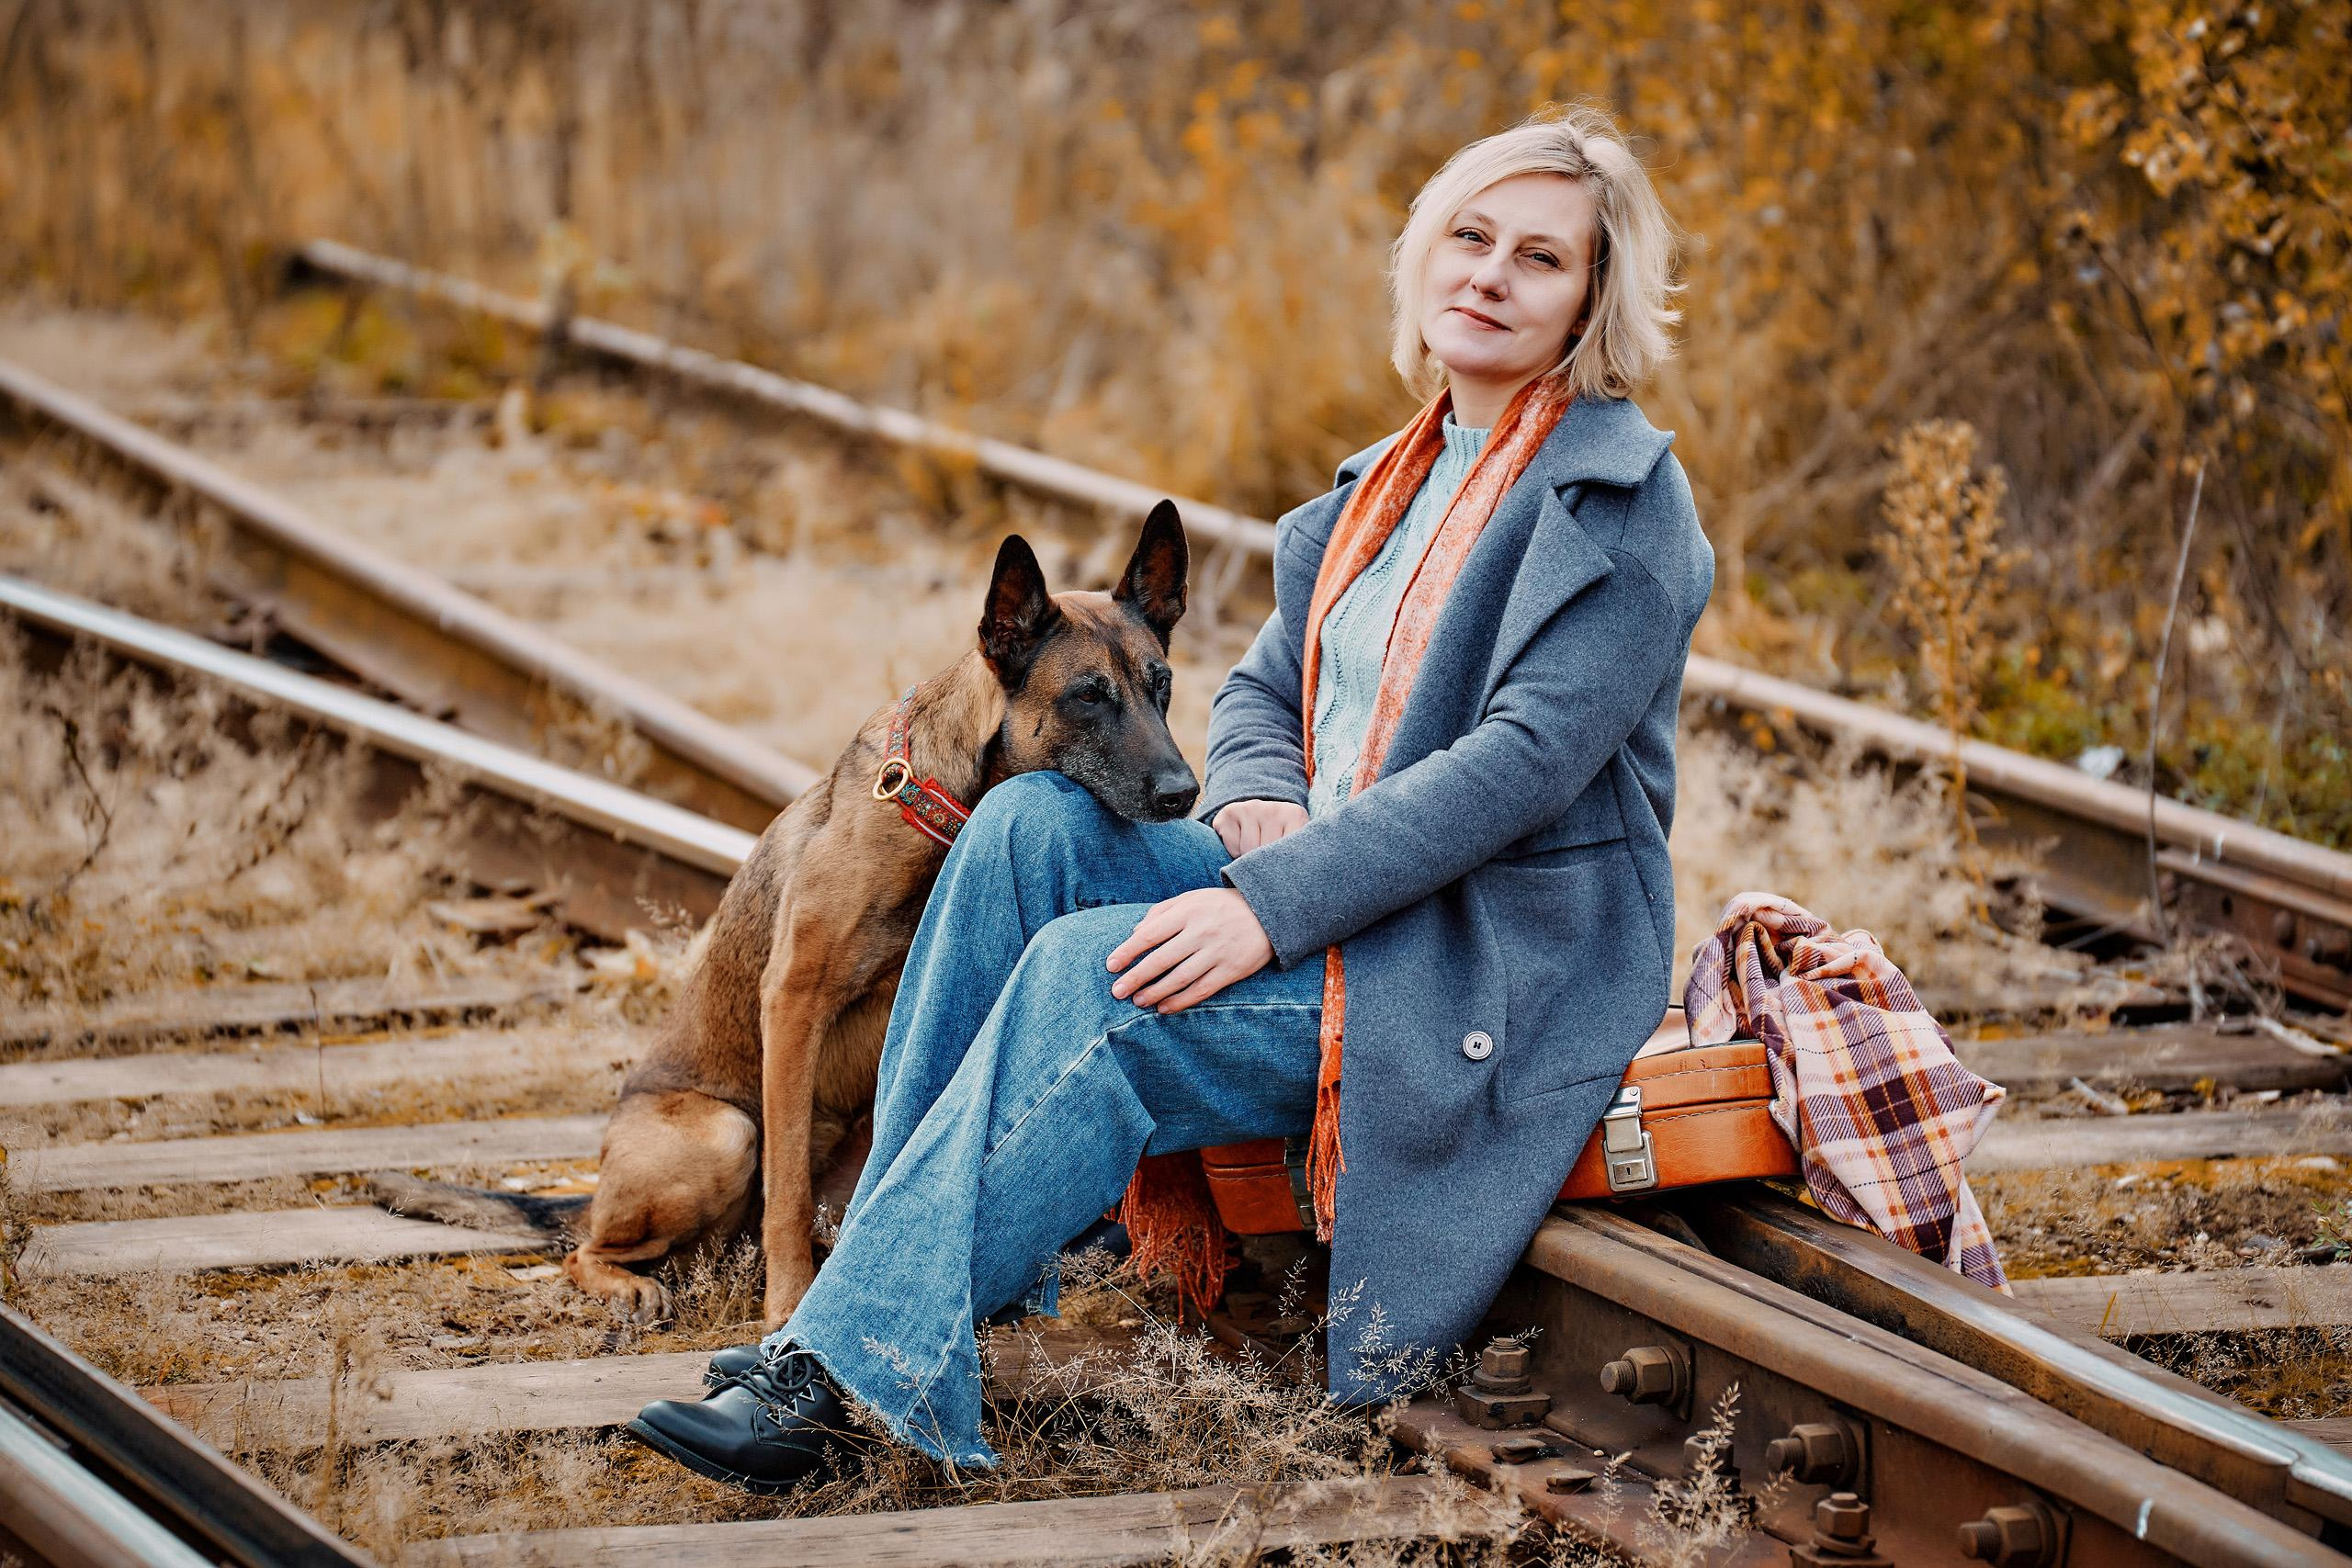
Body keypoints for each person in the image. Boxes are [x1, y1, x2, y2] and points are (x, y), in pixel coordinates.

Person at [627, 100, 1711, 1495]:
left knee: (1099, 980)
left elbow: (1512, 774)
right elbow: (1260, 696)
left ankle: (839, 1373)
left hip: (1473, 960)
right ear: (1422, 259)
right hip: (1329, 897)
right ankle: (881, 1294)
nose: (1491, 274)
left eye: (1541, 259)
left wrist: (1264, 903)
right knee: (1024, 827)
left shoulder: (1622, 508)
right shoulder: (1383, 488)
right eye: (1469, 235)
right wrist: (1258, 795)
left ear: (1593, 301)